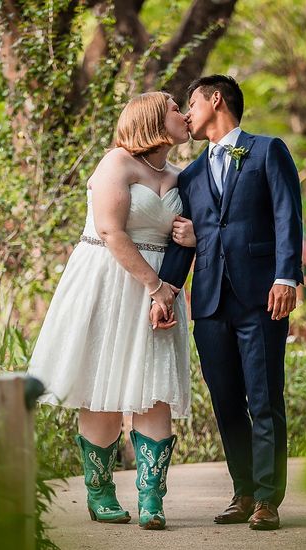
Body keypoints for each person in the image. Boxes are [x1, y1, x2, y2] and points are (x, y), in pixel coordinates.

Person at [27, 91, 195, 530]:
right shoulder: (115, 164)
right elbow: (110, 230)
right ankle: (100, 492)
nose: (186, 114)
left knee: (153, 388)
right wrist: (155, 287)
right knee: (101, 387)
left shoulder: (182, 176)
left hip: (163, 293)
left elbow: (199, 231)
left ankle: (151, 498)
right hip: (110, 282)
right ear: (154, 118)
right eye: (177, 107)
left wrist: (191, 244)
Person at [158, 75, 303, 531]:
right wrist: (166, 290)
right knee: (226, 403)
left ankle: (267, 499)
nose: (186, 113)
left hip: (261, 298)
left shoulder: (267, 151)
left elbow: (287, 214)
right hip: (211, 303)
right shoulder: (192, 174)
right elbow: (187, 240)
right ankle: (242, 492)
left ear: (215, 99)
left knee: (263, 400)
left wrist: (287, 277)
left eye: (191, 103)